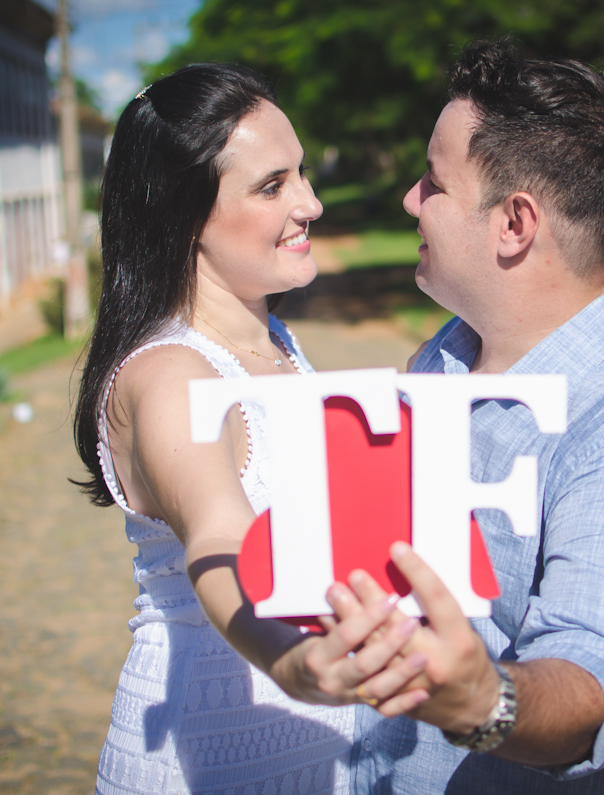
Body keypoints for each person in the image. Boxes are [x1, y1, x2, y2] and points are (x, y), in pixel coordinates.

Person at [336, 40, 604, 793]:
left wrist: (482, 700)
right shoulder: (448, 355)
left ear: (514, 224)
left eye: (434, 182)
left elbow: (594, 682)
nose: (409, 200)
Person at [72, 63, 427, 795]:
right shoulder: (173, 374)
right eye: (273, 186)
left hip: (314, 752)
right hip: (213, 756)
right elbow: (221, 538)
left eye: (300, 174)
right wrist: (292, 662)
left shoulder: (280, 347)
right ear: (185, 213)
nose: (312, 203)